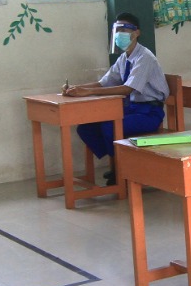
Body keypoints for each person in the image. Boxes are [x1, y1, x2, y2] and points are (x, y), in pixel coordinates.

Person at [67, 13, 168, 183]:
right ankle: (121, 165)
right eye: (117, 29)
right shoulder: (124, 58)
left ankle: (122, 172)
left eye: (123, 29)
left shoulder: (145, 58)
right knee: (86, 128)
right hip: (131, 109)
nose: (119, 33)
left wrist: (89, 93)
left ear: (136, 33)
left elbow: (127, 89)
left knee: (109, 127)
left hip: (150, 112)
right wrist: (77, 89)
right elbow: (103, 83)